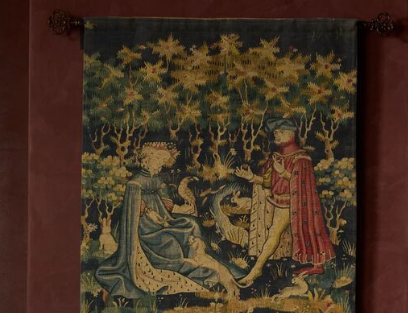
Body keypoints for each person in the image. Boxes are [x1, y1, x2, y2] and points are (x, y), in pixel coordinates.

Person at [95, 140, 241, 301]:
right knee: (169, 241)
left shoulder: (157, 180)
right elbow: (133, 213)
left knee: (191, 223)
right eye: (158, 160)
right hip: (145, 229)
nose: (160, 165)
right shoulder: (134, 183)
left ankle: (199, 258)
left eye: (162, 162)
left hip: (164, 220)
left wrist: (182, 209)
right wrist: (147, 211)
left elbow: (167, 205)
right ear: (146, 159)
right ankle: (191, 265)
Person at [233, 118, 337, 287]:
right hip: (276, 200)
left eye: (280, 132)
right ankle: (317, 265)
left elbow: (301, 184)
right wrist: (252, 177)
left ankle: (256, 270)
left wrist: (284, 173)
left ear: (291, 133)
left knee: (277, 232)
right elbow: (267, 182)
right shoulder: (276, 156)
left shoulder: (301, 158)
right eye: (275, 133)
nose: (277, 135)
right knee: (276, 233)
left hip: (293, 203)